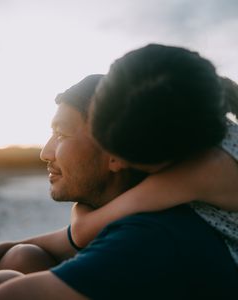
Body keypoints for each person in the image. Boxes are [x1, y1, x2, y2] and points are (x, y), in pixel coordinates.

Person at [0, 46, 238, 299]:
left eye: (63, 133)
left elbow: (83, 230)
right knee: (22, 257)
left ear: (118, 157)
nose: (45, 151)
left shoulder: (165, 221)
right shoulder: (200, 128)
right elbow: (54, 239)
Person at [69, 47, 238, 268]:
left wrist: (79, 206)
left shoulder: (203, 170)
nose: (117, 164)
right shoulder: (206, 124)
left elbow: (83, 232)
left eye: (128, 159)